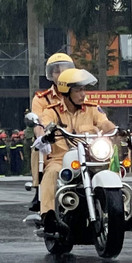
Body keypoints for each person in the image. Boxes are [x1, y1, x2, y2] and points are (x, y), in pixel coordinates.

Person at [32, 68, 116, 234]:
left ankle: (120, 213)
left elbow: (104, 123)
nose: (83, 94)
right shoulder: (52, 111)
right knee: (52, 172)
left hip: (91, 157)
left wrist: (118, 131)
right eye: (78, 90)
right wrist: (44, 135)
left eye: (84, 89)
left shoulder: (92, 109)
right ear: (66, 92)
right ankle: (47, 216)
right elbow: (44, 125)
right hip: (61, 159)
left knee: (112, 170)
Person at [27, 53, 75, 210]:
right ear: (51, 74)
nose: (61, 74)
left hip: (80, 145)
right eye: (56, 71)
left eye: (65, 70)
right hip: (55, 147)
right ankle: (39, 189)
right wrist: (41, 137)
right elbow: (39, 123)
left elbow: (98, 117)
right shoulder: (42, 99)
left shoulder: (79, 95)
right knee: (37, 148)